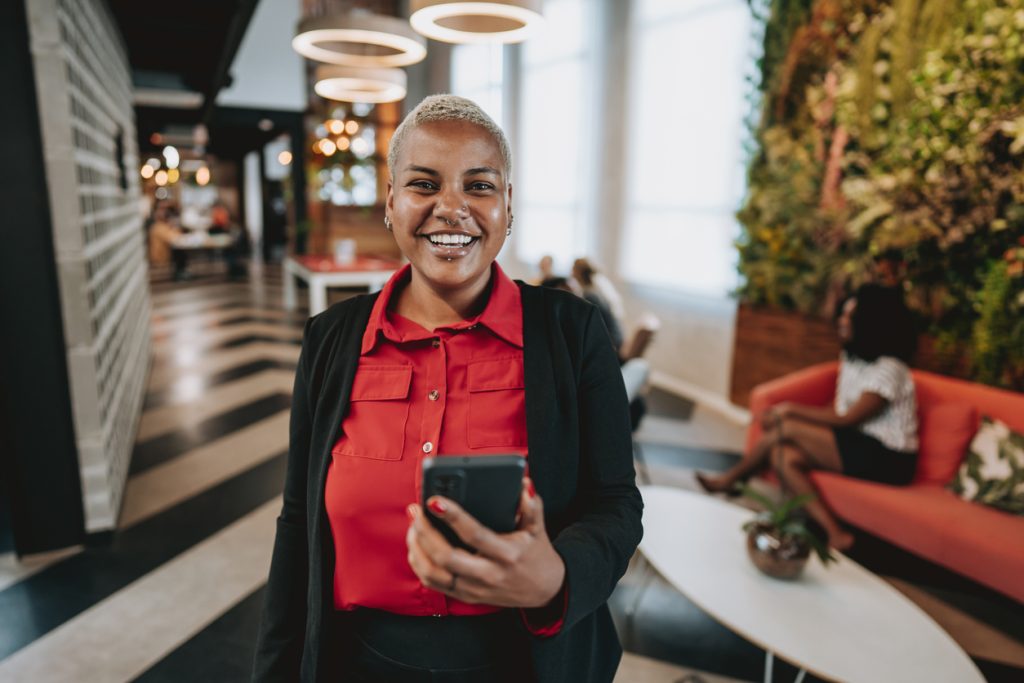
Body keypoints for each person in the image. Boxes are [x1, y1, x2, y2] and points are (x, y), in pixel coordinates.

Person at [252, 95, 642, 683]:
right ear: (391, 202)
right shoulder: (331, 339)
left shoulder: (572, 333)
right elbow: (298, 520)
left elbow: (615, 502)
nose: (452, 208)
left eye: (479, 187)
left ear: (507, 206)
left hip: (525, 663)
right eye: (424, 184)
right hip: (357, 662)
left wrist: (556, 576)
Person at [696, 284, 918, 551]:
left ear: (871, 323)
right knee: (783, 455)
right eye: (844, 314)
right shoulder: (853, 358)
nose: (842, 321)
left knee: (784, 427)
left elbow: (848, 419)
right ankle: (836, 534)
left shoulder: (890, 369)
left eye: (851, 316)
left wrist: (788, 409)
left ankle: (732, 479)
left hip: (890, 458)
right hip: (858, 442)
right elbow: (838, 412)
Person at [571, 258, 624, 353]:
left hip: (611, 345)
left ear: (578, 272)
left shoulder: (589, 295)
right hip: (615, 340)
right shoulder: (594, 291)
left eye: (573, 269)